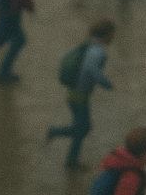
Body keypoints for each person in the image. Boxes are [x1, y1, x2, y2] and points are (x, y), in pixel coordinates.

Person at [47, 19, 116, 168]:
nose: (113, 38)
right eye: (112, 34)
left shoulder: (90, 45)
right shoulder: (99, 51)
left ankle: (70, 158)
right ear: (108, 34)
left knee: (81, 127)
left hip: (74, 92)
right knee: (83, 128)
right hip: (79, 95)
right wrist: (108, 84)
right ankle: (56, 134)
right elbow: (91, 69)